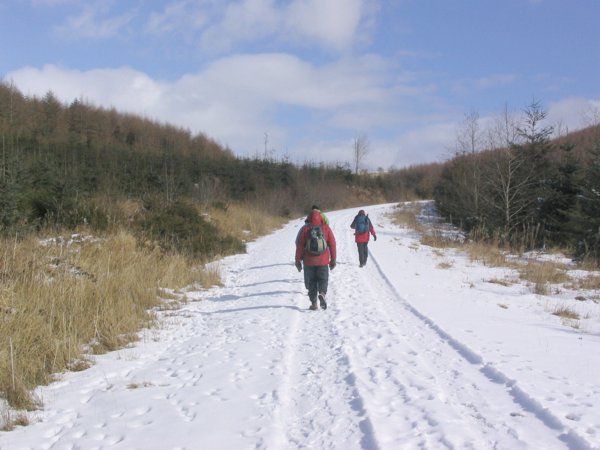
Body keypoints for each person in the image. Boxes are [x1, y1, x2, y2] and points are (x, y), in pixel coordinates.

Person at [295, 209, 337, 310]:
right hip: (323, 261)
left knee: (311, 282)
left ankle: (314, 303)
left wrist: (297, 260)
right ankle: (322, 293)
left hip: (309, 261)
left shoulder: (305, 229)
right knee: (323, 279)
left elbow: (299, 246)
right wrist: (333, 259)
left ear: (309, 218)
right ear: (321, 218)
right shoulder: (326, 228)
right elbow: (332, 244)